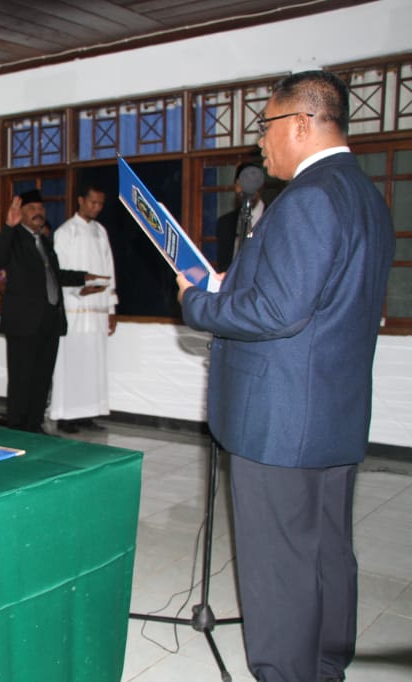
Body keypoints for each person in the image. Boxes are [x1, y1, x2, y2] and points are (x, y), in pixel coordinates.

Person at [176, 70, 394, 682]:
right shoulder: (363, 195)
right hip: (331, 412)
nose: (259, 142)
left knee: (280, 563)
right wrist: (233, 285)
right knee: (326, 549)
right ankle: (324, 665)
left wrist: (198, 302)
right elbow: (315, 299)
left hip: (280, 419)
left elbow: (278, 311)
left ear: (300, 124)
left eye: (265, 126)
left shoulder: (308, 198)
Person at [0, 190, 93, 433]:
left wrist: (84, 277)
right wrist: (8, 227)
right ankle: (18, 429)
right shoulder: (14, 237)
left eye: (41, 208)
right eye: (32, 209)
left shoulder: (44, 241)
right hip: (24, 323)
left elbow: (53, 275)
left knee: (42, 378)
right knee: (21, 379)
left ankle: (34, 426)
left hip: (49, 321)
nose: (39, 213)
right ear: (20, 213)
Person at [50, 185, 118, 433]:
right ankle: (65, 416)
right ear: (80, 200)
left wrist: (111, 308)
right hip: (74, 309)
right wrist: (79, 291)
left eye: (100, 204)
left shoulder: (101, 231)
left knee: (93, 363)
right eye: (92, 203)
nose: (96, 208)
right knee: (72, 362)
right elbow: (57, 273)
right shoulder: (65, 232)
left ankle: (86, 413)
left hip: (97, 308)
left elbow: (109, 269)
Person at [215, 162, 266, 271]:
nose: (245, 190)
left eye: (251, 184)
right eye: (241, 185)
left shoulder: (273, 218)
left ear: (260, 186)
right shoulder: (225, 223)